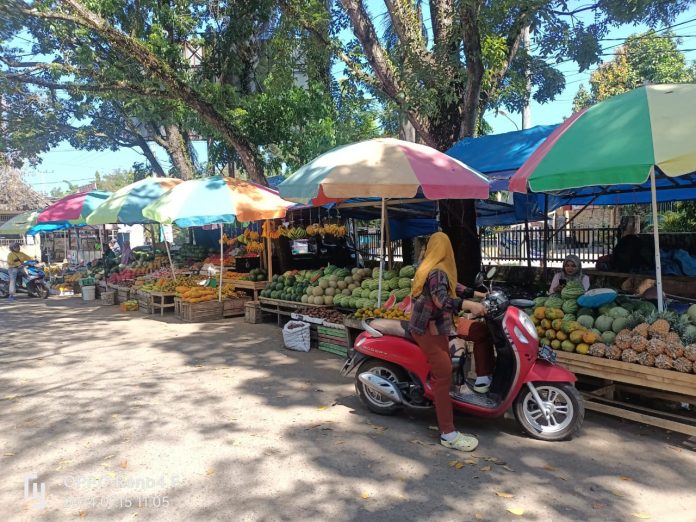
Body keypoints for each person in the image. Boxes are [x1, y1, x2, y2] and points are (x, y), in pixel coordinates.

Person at [408, 232, 492, 452]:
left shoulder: (437, 267)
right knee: (443, 376)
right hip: (428, 328)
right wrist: (470, 305)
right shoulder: (436, 271)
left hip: (438, 325)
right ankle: (448, 433)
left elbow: (453, 286)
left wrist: (479, 295)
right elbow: (442, 299)